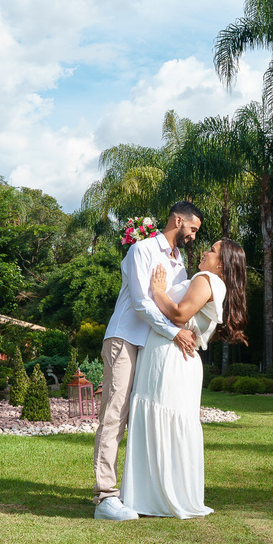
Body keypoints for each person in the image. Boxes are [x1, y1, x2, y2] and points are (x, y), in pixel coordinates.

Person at [120, 238, 248, 519]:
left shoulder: (206, 279)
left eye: (212, 250)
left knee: (161, 421)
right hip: (170, 356)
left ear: (223, 264)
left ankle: (158, 497)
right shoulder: (209, 281)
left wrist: (157, 292)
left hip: (172, 359)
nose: (205, 251)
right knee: (159, 422)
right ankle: (154, 494)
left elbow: (179, 315)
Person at [92, 201, 203, 521]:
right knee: (115, 415)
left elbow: (173, 304)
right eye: (192, 229)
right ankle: (105, 497)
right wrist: (173, 333)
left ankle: (136, 492)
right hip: (126, 339)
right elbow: (142, 302)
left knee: (142, 419)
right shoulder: (141, 250)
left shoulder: (179, 262)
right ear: (178, 220)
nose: (193, 236)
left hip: (154, 348)